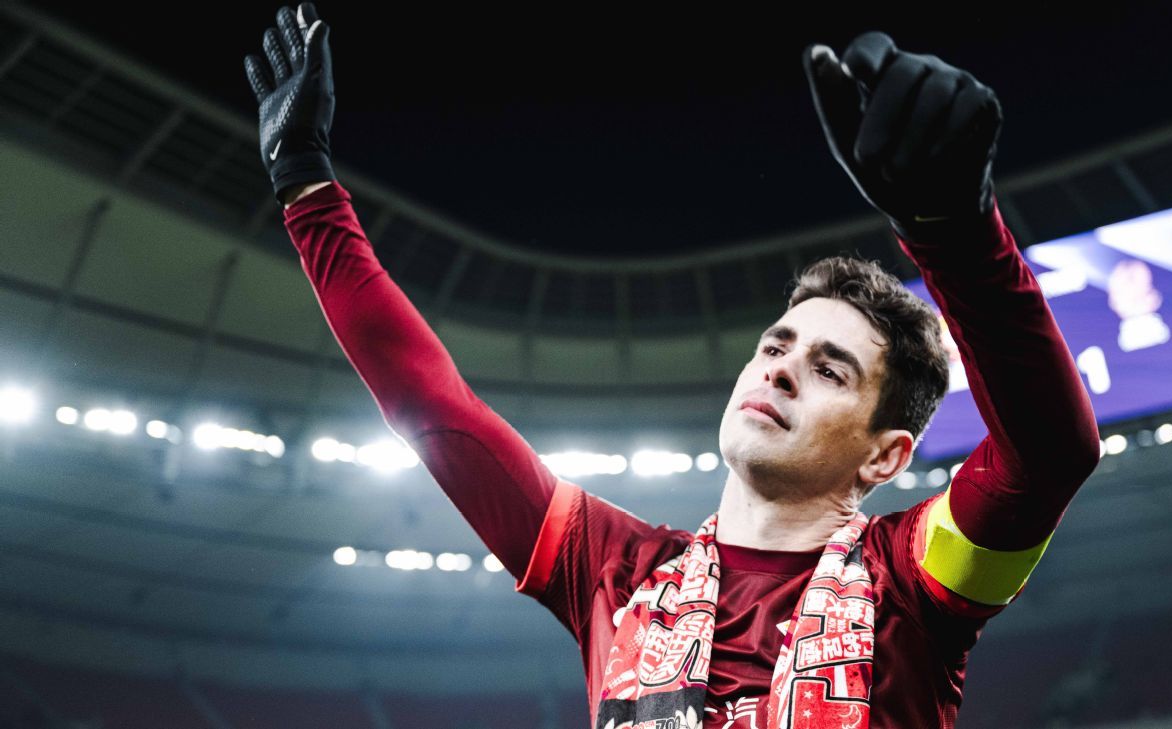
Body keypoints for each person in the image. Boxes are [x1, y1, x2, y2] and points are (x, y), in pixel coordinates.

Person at [244, 5, 1100, 728]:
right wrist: (305, 183)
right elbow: (434, 404)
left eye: (830, 370)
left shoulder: (914, 580)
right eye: (775, 346)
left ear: (886, 454)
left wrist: (955, 232)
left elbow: (1051, 454)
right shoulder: (612, 571)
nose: (780, 370)